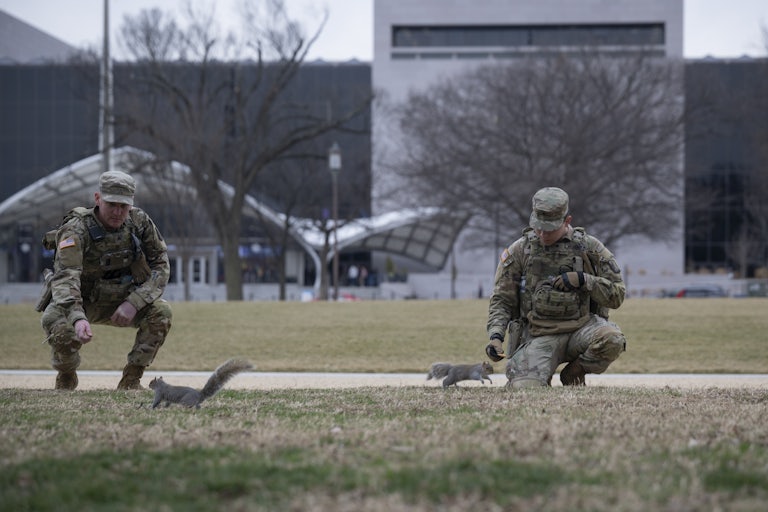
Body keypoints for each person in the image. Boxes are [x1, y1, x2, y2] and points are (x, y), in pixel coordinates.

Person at [40, 170, 172, 390]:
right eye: (112, 204)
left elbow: (161, 265)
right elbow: (65, 278)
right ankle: (66, 374)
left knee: (161, 313)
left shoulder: (139, 222)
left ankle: (131, 380)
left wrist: (134, 302)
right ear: (98, 198)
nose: (118, 212)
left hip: (123, 299)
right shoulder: (76, 229)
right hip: (82, 301)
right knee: (58, 325)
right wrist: (77, 317)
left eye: (124, 206)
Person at [485, 187, 626, 387]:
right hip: (539, 335)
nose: (542, 234)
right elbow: (502, 299)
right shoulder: (519, 251)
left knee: (613, 339)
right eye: (537, 227)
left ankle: (574, 372)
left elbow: (617, 295)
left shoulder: (590, 248)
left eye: (549, 229)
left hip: (582, 329)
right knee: (525, 390)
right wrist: (496, 336)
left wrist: (585, 280)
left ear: (567, 221)